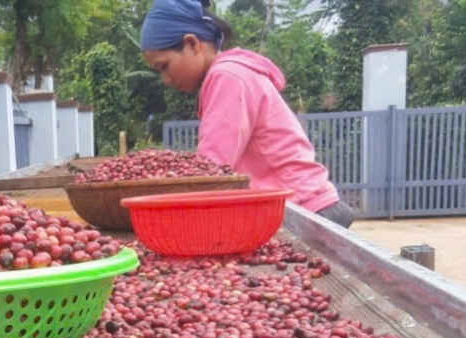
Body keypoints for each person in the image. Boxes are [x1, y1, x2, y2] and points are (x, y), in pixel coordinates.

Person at [140, 0, 357, 229]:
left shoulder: (227, 77)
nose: (166, 79)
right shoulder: (231, 73)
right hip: (301, 205)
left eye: (164, 66)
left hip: (304, 210)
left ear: (192, 44)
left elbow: (211, 169)